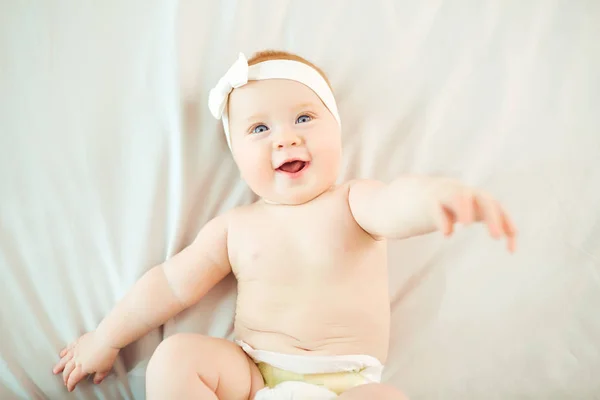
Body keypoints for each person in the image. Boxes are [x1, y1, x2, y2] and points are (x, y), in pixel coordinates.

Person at [53, 50, 517, 399]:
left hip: (349, 383)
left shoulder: (354, 201)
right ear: (236, 155)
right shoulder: (235, 227)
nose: (286, 137)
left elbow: (397, 205)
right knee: (175, 357)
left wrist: (437, 197)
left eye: (304, 117)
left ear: (336, 131)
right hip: (252, 376)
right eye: (259, 129)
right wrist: (105, 338)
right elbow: (171, 285)